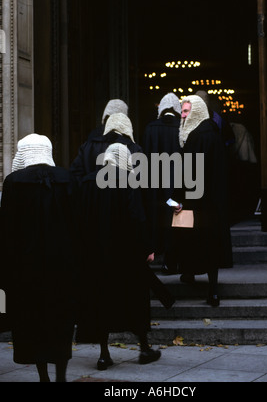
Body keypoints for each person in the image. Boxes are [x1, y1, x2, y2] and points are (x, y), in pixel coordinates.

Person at [76, 143, 170, 369]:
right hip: (125, 255)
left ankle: (103, 353)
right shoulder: (128, 180)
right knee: (135, 301)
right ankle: (144, 348)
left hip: (97, 254)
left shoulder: (88, 181)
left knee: (101, 302)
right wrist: (147, 248)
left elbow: (81, 218)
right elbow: (137, 217)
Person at [1, 134, 78, 382]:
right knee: (61, 323)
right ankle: (61, 376)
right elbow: (79, 226)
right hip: (63, 267)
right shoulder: (68, 179)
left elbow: (7, 231)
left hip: (27, 270)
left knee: (33, 324)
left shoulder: (13, 182)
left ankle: (43, 375)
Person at [171, 96, 233, 307]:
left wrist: (177, 197)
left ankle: (190, 274)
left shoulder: (195, 136)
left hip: (196, 201)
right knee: (212, 245)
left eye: (187, 111)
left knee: (195, 240)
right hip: (213, 201)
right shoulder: (214, 134)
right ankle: (213, 291)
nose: (183, 115)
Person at [142, 93, 182, 273]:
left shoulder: (151, 128)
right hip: (177, 182)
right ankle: (171, 260)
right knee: (175, 221)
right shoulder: (181, 128)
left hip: (155, 184)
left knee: (156, 218)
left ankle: (154, 254)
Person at [70, 112, 142, 183]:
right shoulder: (134, 149)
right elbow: (138, 181)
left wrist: (87, 190)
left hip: (92, 193)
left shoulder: (88, 147)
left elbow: (76, 176)